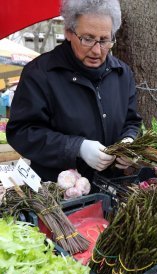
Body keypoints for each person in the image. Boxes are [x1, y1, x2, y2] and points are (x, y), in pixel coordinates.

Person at [6, 0, 142, 183]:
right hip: (58, 194)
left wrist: (129, 141)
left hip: (112, 187)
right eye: (87, 39)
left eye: (104, 40)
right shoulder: (39, 73)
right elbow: (21, 132)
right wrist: (77, 148)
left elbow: (131, 121)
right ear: (68, 32)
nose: (96, 50)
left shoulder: (122, 73)